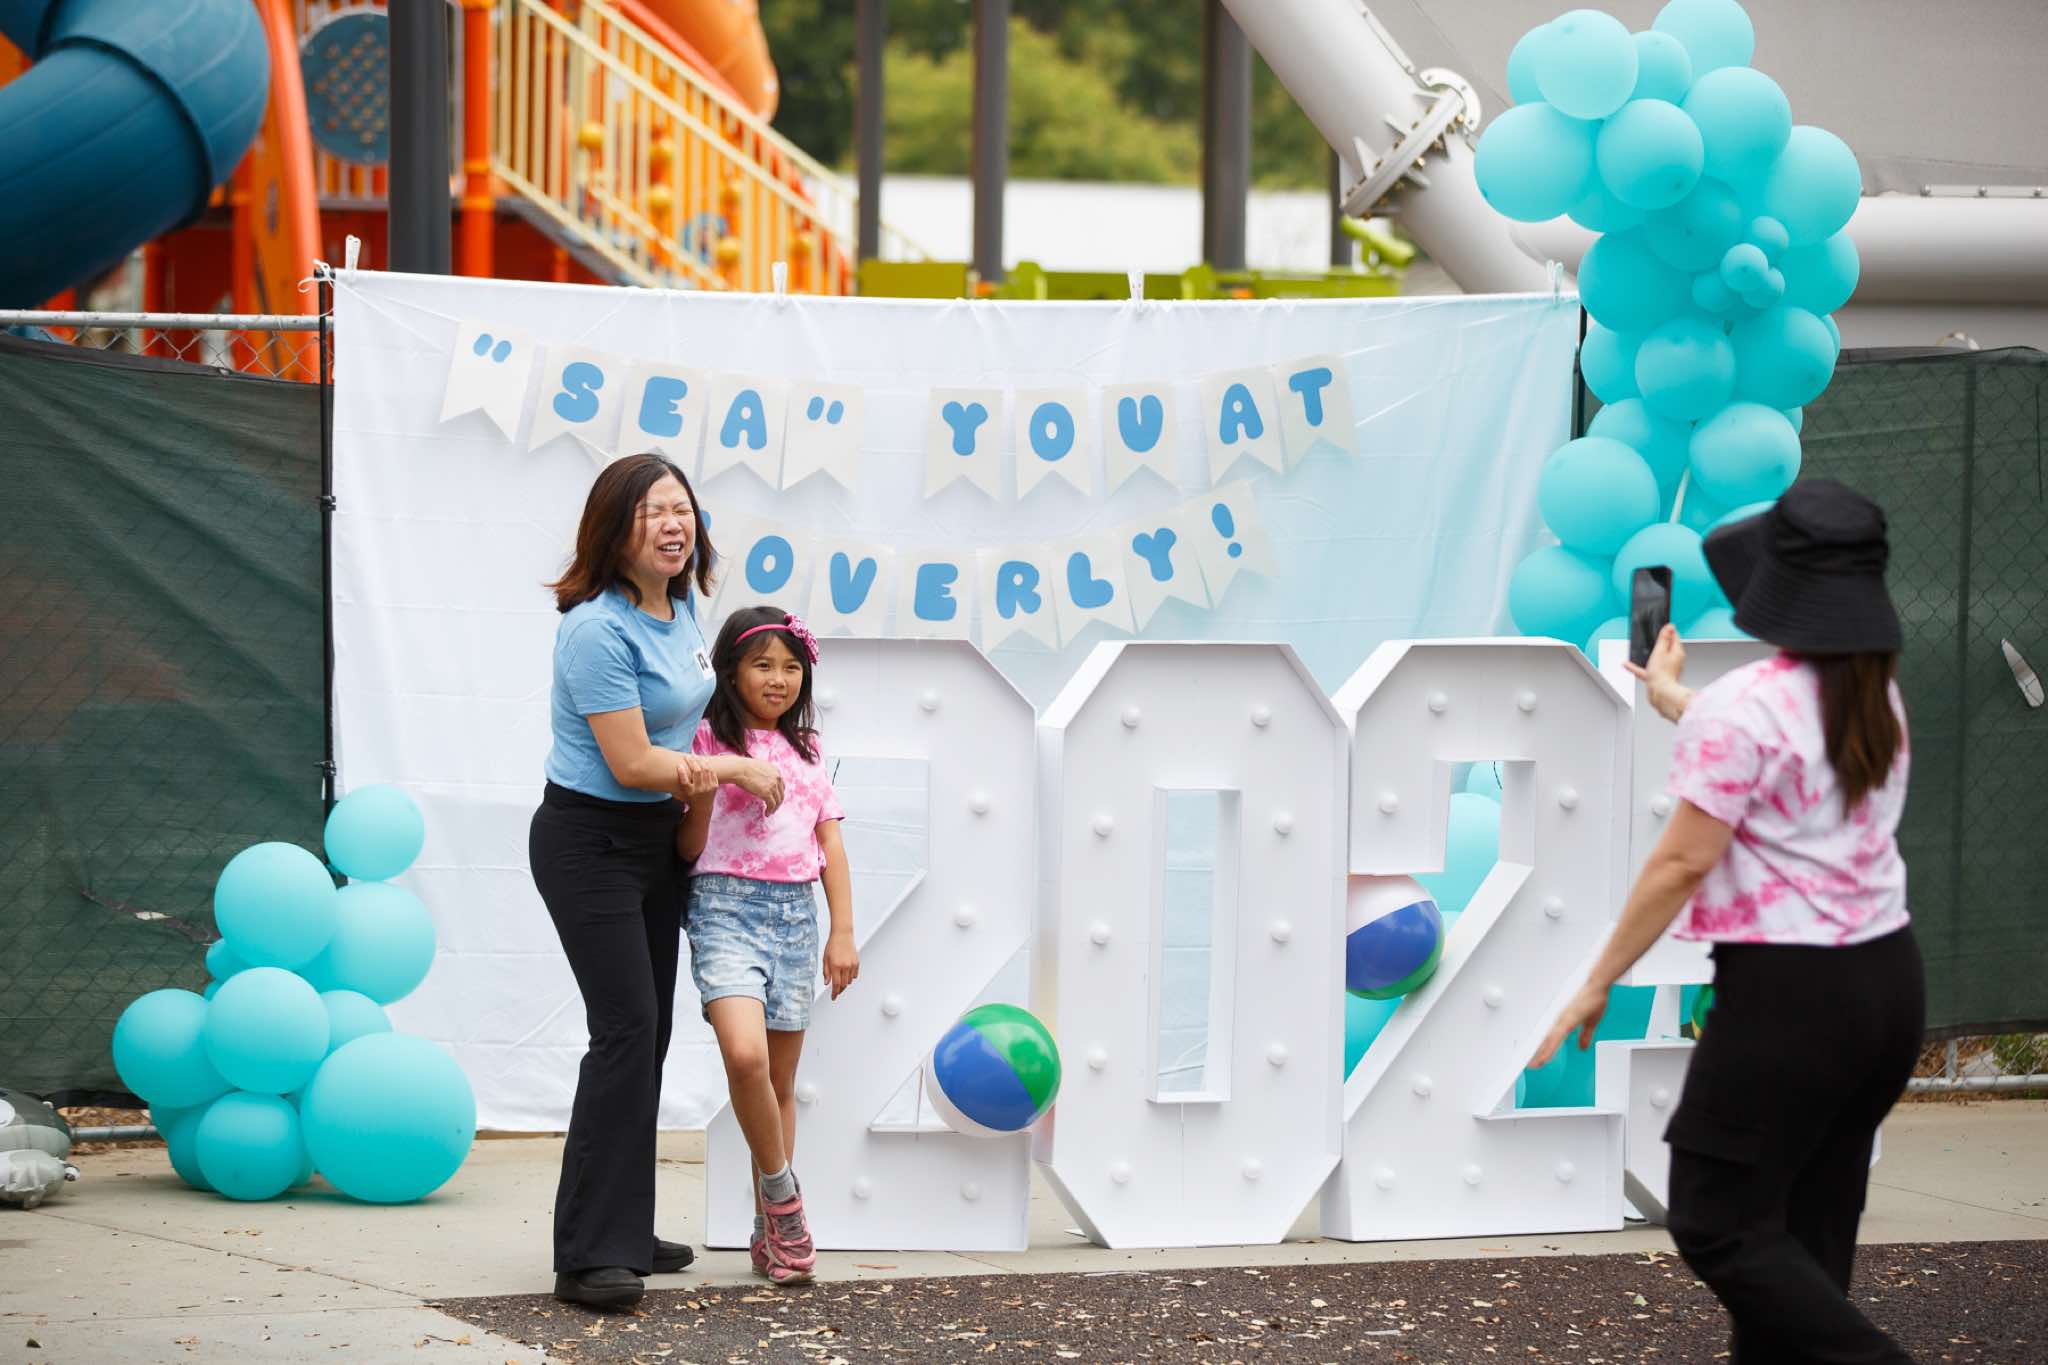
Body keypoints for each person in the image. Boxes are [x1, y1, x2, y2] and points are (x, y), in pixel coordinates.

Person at [1533, 479, 1924, 1364]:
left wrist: (1596, 982)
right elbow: (1758, 742)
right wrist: (1674, 694)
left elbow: (1680, 862)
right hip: (1889, 986)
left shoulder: (1746, 705)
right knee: (1809, 1237)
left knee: (1718, 1220)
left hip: (1790, 995)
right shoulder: (1877, 699)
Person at [529, 454, 787, 1310]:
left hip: (654, 844)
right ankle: (586, 1258)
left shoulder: (679, 607)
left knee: (649, 1038)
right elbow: (633, 761)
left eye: (682, 509)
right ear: (614, 529)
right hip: (588, 842)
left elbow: (685, 724)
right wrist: (735, 773)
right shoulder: (595, 629)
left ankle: (624, 1228)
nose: (673, 525)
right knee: (625, 1029)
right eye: (651, 512)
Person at [677, 606, 858, 1285]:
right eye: (762, 665)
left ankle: (769, 1231)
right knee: (745, 1055)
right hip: (723, 908)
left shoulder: (806, 748)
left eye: (790, 667)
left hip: (795, 916)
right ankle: (785, 1198)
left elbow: (830, 842)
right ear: (730, 672)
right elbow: (688, 846)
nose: (778, 679)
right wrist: (716, 780)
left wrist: (841, 931)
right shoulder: (703, 739)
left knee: (780, 1083)